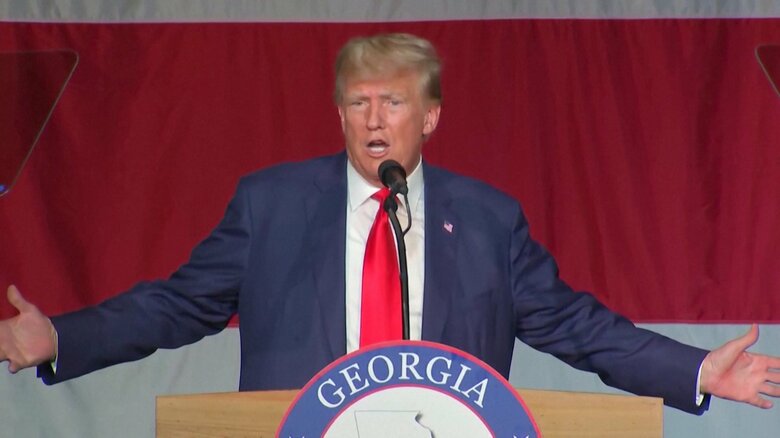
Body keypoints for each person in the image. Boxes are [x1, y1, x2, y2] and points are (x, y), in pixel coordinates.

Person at [1, 33, 778, 415]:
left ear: (429, 117)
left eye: (394, 102)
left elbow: (578, 327)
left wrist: (696, 371)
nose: (374, 119)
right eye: (359, 103)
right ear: (340, 114)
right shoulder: (270, 206)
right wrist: (61, 336)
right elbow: (178, 304)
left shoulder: (488, 221)